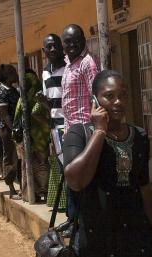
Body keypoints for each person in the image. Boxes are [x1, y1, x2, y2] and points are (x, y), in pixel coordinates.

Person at [63, 70, 152, 257]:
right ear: (95, 100)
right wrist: (99, 132)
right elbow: (76, 181)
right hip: (99, 243)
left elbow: (144, 188)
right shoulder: (79, 135)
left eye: (122, 95)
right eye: (109, 96)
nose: (118, 102)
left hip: (137, 240)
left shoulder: (140, 137)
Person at [61, 24, 100, 231]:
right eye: (67, 42)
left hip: (84, 128)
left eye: (76, 39)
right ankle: (71, 218)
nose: (72, 44)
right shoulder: (69, 63)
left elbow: (96, 96)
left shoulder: (87, 63)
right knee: (69, 176)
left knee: (79, 177)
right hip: (69, 129)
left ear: (84, 39)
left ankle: (80, 223)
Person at [13, 70, 50, 202]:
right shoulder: (41, 96)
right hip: (42, 138)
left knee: (29, 165)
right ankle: (44, 192)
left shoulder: (23, 99)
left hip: (30, 138)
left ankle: (30, 193)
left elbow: (17, 118)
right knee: (42, 165)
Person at [41, 33, 67, 210]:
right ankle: (70, 213)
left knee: (72, 169)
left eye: (55, 45)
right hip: (55, 129)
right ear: (44, 51)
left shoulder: (69, 68)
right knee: (62, 168)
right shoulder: (44, 72)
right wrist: (43, 102)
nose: (53, 49)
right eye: (49, 47)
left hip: (69, 126)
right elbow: (50, 102)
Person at [0, 64, 21, 198]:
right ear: (7, 76)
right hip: (8, 130)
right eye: (13, 72)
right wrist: (14, 129)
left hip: (15, 128)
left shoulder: (12, 89)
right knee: (10, 158)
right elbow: (5, 115)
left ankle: (22, 187)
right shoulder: (2, 91)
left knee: (19, 159)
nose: (16, 74)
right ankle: (11, 189)